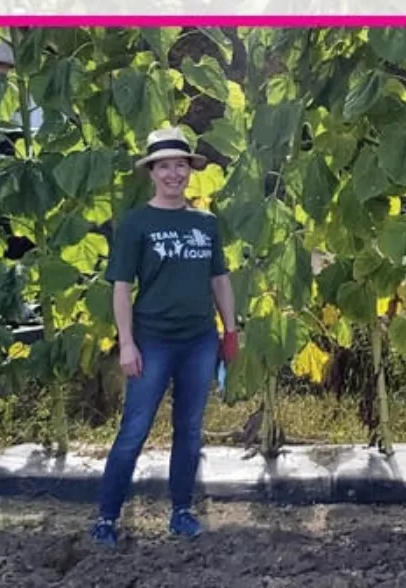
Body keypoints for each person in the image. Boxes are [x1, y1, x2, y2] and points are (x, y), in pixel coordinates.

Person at [90, 127, 239, 548]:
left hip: (198, 341)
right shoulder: (138, 222)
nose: (173, 173)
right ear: (151, 172)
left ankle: (181, 511)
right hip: (151, 341)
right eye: (164, 166)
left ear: (189, 171)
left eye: (180, 165)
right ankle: (106, 517)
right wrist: (127, 343)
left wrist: (230, 330)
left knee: (189, 429)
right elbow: (120, 286)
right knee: (134, 429)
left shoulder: (205, 223)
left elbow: (219, 278)